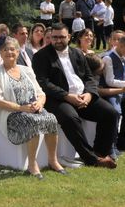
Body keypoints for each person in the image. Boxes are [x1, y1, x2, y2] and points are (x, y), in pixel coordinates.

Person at [32, 23, 119, 168]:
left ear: (69, 37)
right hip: (58, 99)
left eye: (61, 37)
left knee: (111, 113)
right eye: (54, 37)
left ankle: (100, 153)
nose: (58, 40)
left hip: (83, 96)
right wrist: (67, 96)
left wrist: (90, 95)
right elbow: (43, 83)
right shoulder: (41, 56)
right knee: (70, 118)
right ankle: (91, 159)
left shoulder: (77, 53)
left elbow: (89, 77)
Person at [0, 38, 65, 178]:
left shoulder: (26, 70)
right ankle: (32, 164)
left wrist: (40, 103)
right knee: (33, 122)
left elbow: (40, 92)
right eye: (5, 49)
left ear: (18, 52)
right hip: (12, 113)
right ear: (0, 53)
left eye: (12, 49)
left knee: (52, 119)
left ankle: (53, 160)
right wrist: (21, 108)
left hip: (33, 108)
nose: (9, 52)